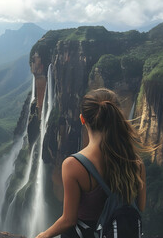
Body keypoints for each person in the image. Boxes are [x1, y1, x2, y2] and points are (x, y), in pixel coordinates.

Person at [36, 88, 147, 238]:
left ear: (82, 119)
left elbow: (68, 220)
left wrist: (42, 235)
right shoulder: (136, 163)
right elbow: (140, 206)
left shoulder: (73, 165)